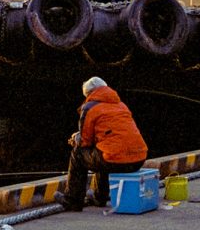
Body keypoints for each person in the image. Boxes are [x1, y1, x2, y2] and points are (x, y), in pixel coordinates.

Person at [54, 77, 148, 211]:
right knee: (103, 150)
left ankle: (72, 200)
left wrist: (75, 138)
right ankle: (99, 197)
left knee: (78, 154)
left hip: (116, 160)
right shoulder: (121, 105)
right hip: (138, 159)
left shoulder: (90, 107)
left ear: (89, 93)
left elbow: (85, 141)